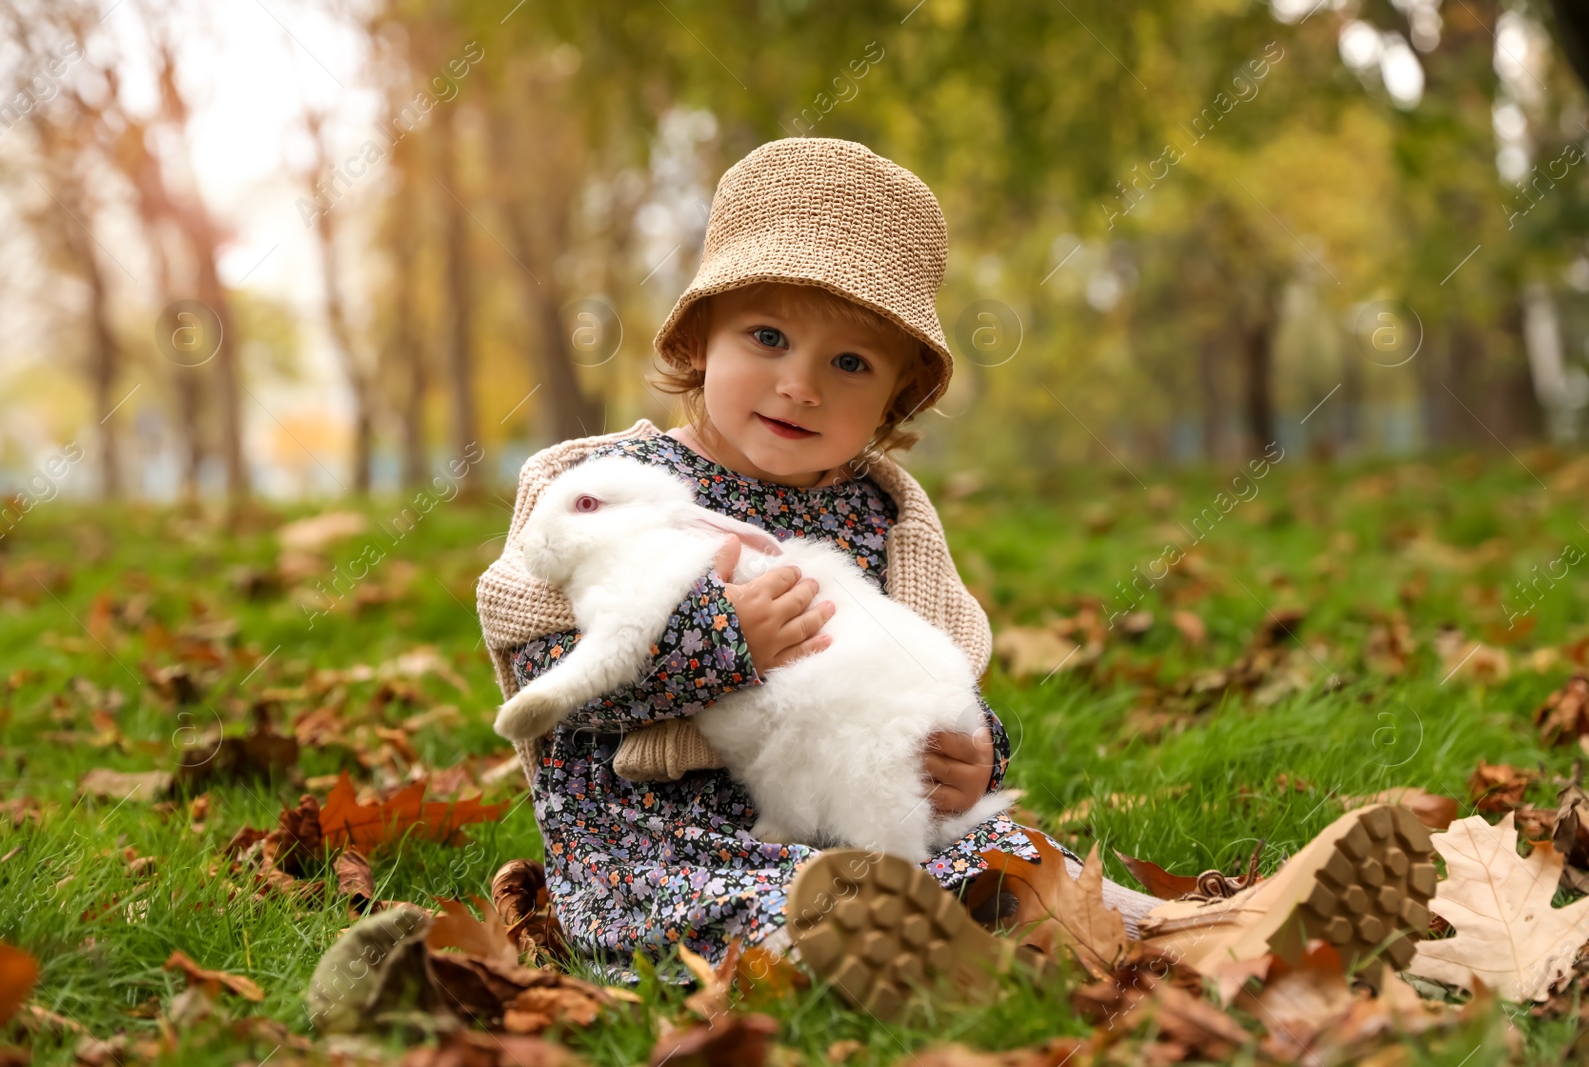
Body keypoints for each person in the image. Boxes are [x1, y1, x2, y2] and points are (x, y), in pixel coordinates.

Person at [474, 137, 1436, 1017]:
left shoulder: (881, 514)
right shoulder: (600, 488)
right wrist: (721, 646)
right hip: (666, 855)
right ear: (697, 340)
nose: (801, 383)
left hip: (869, 821)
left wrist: (972, 753)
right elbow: (545, 683)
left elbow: (920, 677)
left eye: (850, 362)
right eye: (767, 337)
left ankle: (1235, 930)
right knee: (804, 905)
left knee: (1011, 856)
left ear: (896, 396)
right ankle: (978, 960)